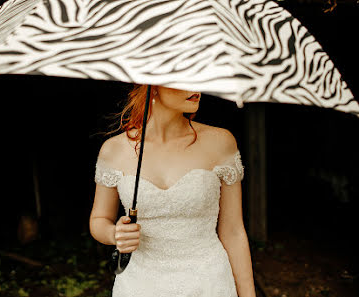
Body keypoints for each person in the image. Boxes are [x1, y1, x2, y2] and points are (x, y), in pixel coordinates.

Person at [89, 84, 256, 297]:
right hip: (139, 285)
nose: (196, 87)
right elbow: (99, 219)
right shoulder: (114, 150)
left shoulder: (221, 142)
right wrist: (115, 234)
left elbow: (233, 231)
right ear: (153, 85)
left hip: (209, 283)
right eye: (184, 79)